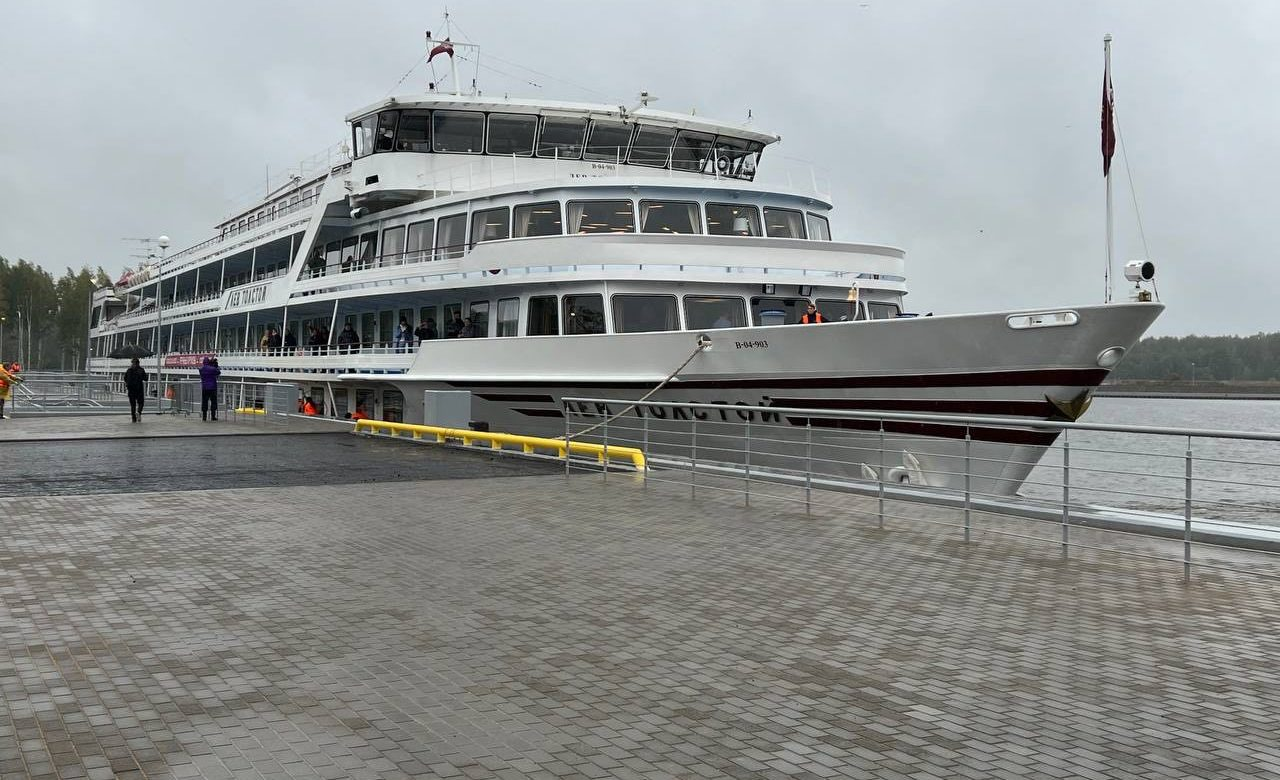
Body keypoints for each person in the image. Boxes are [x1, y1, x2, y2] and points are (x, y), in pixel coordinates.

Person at [123, 357, 148, 422]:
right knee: (141, 403)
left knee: (133, 405)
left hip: (131, 390)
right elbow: (145, 378)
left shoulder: (129, 370)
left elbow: (125, 378)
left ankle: (133, 419)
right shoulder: (141, 370)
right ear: (138, 363)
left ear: (132, 363)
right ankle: (139, 412)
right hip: (139, 389)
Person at [198, 356, 221, 421]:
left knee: (204, 402)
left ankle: (204, 417)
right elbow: (218, 372)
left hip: (204, 388)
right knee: (213, 402)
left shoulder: (201, 369)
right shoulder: (212, 369)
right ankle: (213, 416)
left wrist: (210, 364)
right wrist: (214, 365)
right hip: (212, 387)